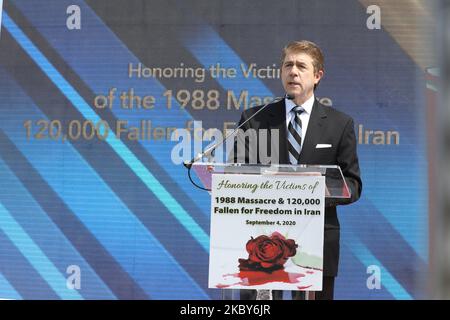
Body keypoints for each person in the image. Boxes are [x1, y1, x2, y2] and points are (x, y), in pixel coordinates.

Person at [230, 40, 362, 300]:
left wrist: (309, 195)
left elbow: (353, 184)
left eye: (301, 66)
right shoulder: (254, 120)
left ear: (317, 75)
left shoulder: (339, 124)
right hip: (262, 242)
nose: (293, 71)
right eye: (288, 65)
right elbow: (236, 175)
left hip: (316, 242)